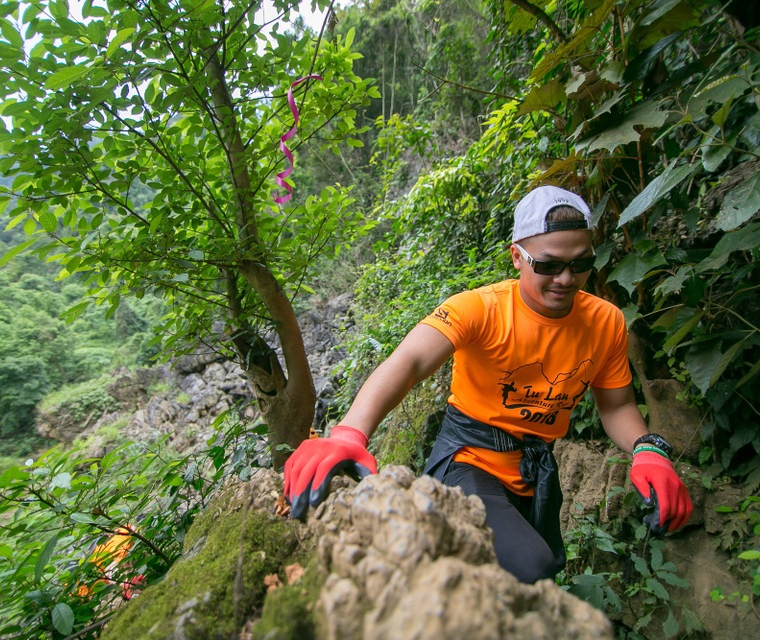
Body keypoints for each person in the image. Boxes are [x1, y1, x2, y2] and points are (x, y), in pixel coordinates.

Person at [284, 185, 693, 583]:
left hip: (534, 471)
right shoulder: (479, 309)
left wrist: (647, 449)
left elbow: (616, 406)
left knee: (543, 572)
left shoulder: (605, 321)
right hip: (468, 461)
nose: (566, 279)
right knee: (530, 569)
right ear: (517, 257)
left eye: (581, 264)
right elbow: (407, 362)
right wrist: (349, 433)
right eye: (549, 265)